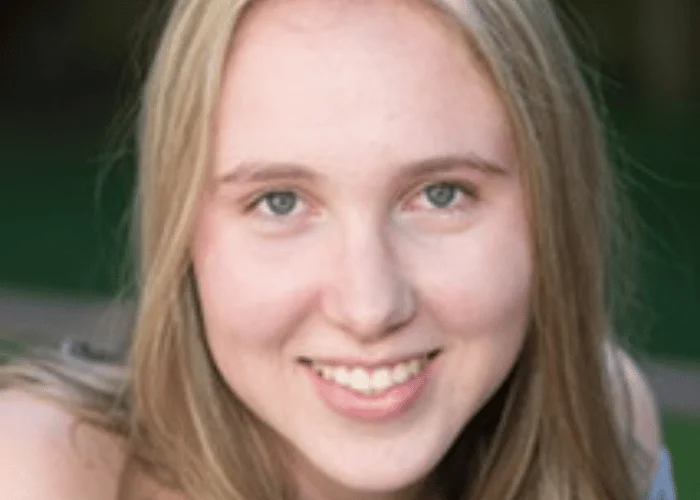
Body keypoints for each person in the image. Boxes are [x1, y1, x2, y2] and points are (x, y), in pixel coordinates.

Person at [0, 0, 677, 499]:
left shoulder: (604, 428)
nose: (369, 306)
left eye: (441, 194)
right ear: (183, 233)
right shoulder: (38, 472)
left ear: (550, 212)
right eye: (281, 202)